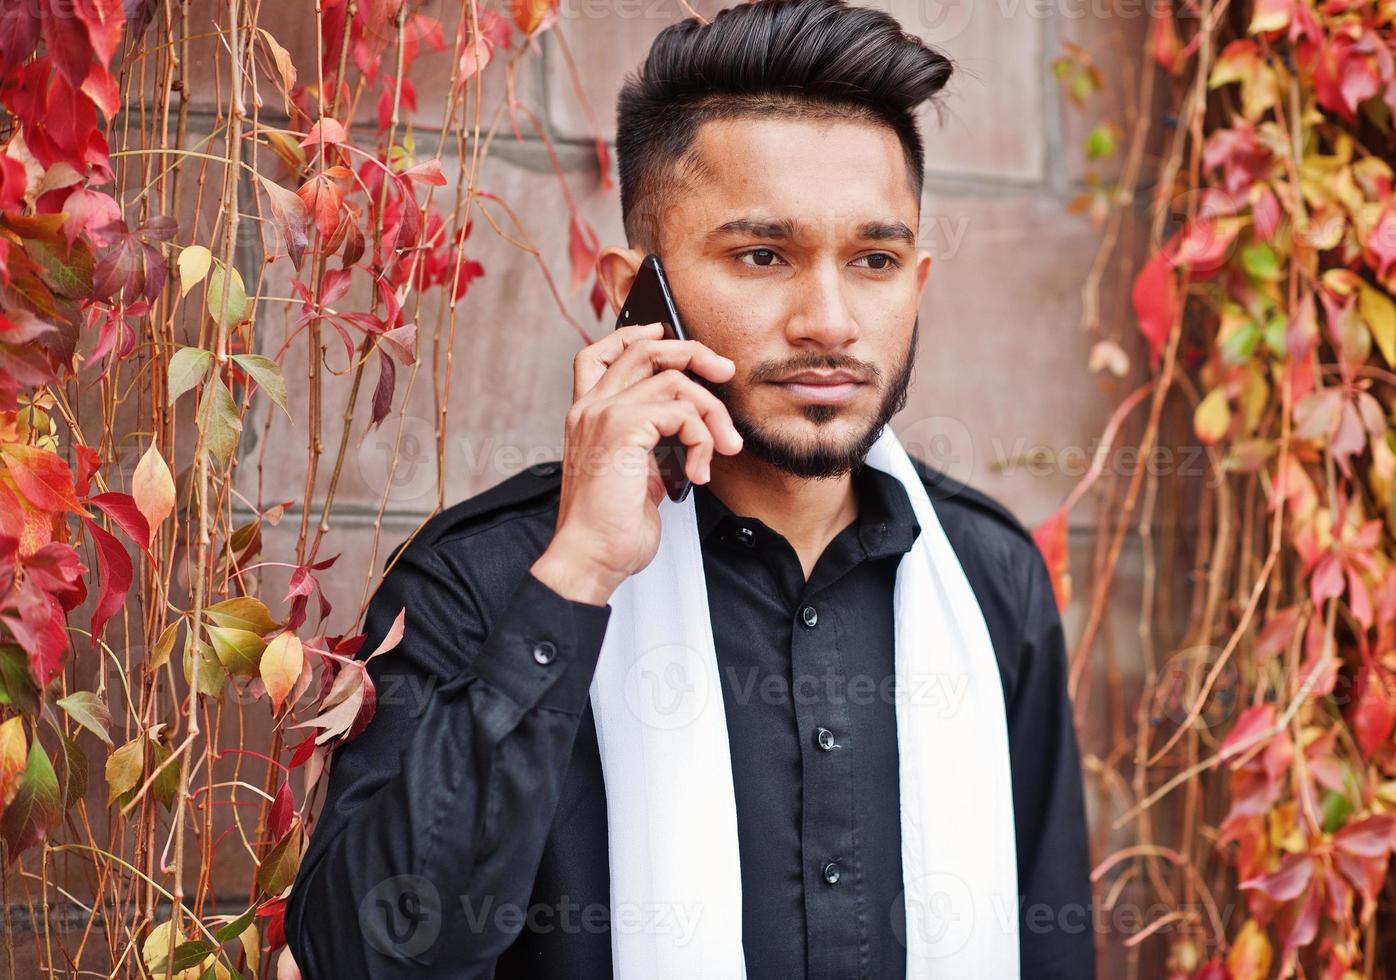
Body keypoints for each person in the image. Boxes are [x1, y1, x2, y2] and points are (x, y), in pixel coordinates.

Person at [283, 0, 1095, 976]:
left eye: (873, 260)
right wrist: (576, 575)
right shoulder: (488, 580)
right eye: (763, 256)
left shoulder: (990, 578)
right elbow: (362, 956)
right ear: (638, 291)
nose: (830, 320)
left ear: (917, 284)